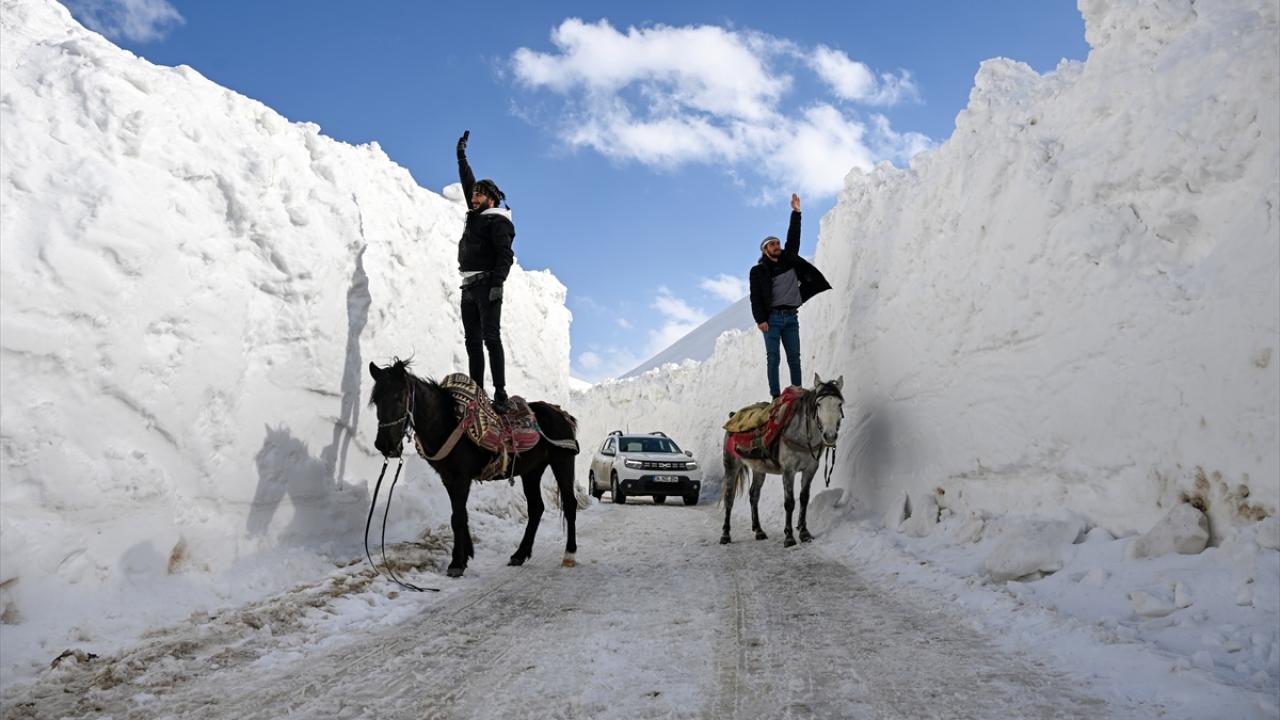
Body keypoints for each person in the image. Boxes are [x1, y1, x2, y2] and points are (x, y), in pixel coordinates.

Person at [748, 193, 832, 399]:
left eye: (777, 243)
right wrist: (760, 319)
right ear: (765, 251)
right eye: (772, 245)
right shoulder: (758, 271)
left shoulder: (788, 260)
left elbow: (793, 236)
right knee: (773, 358)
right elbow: (755, 296)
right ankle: (776, 396)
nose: (777, 246)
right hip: (772, 319)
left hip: (791, 317)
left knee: (794, 357)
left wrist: (796, 212)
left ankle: (796, 392)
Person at [455, 130, 515, 413]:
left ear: (491, 199)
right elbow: (468, 182)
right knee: (472, 342)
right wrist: (461, 156)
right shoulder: (476, 214)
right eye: (473, 194)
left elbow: (506, 255)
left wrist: (498, 283)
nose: (473, 197)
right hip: (468, 287)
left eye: (479, 194)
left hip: (488, 285)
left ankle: (500, 393)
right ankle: (477, 392)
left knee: (491, 339)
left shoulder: (497, 222)